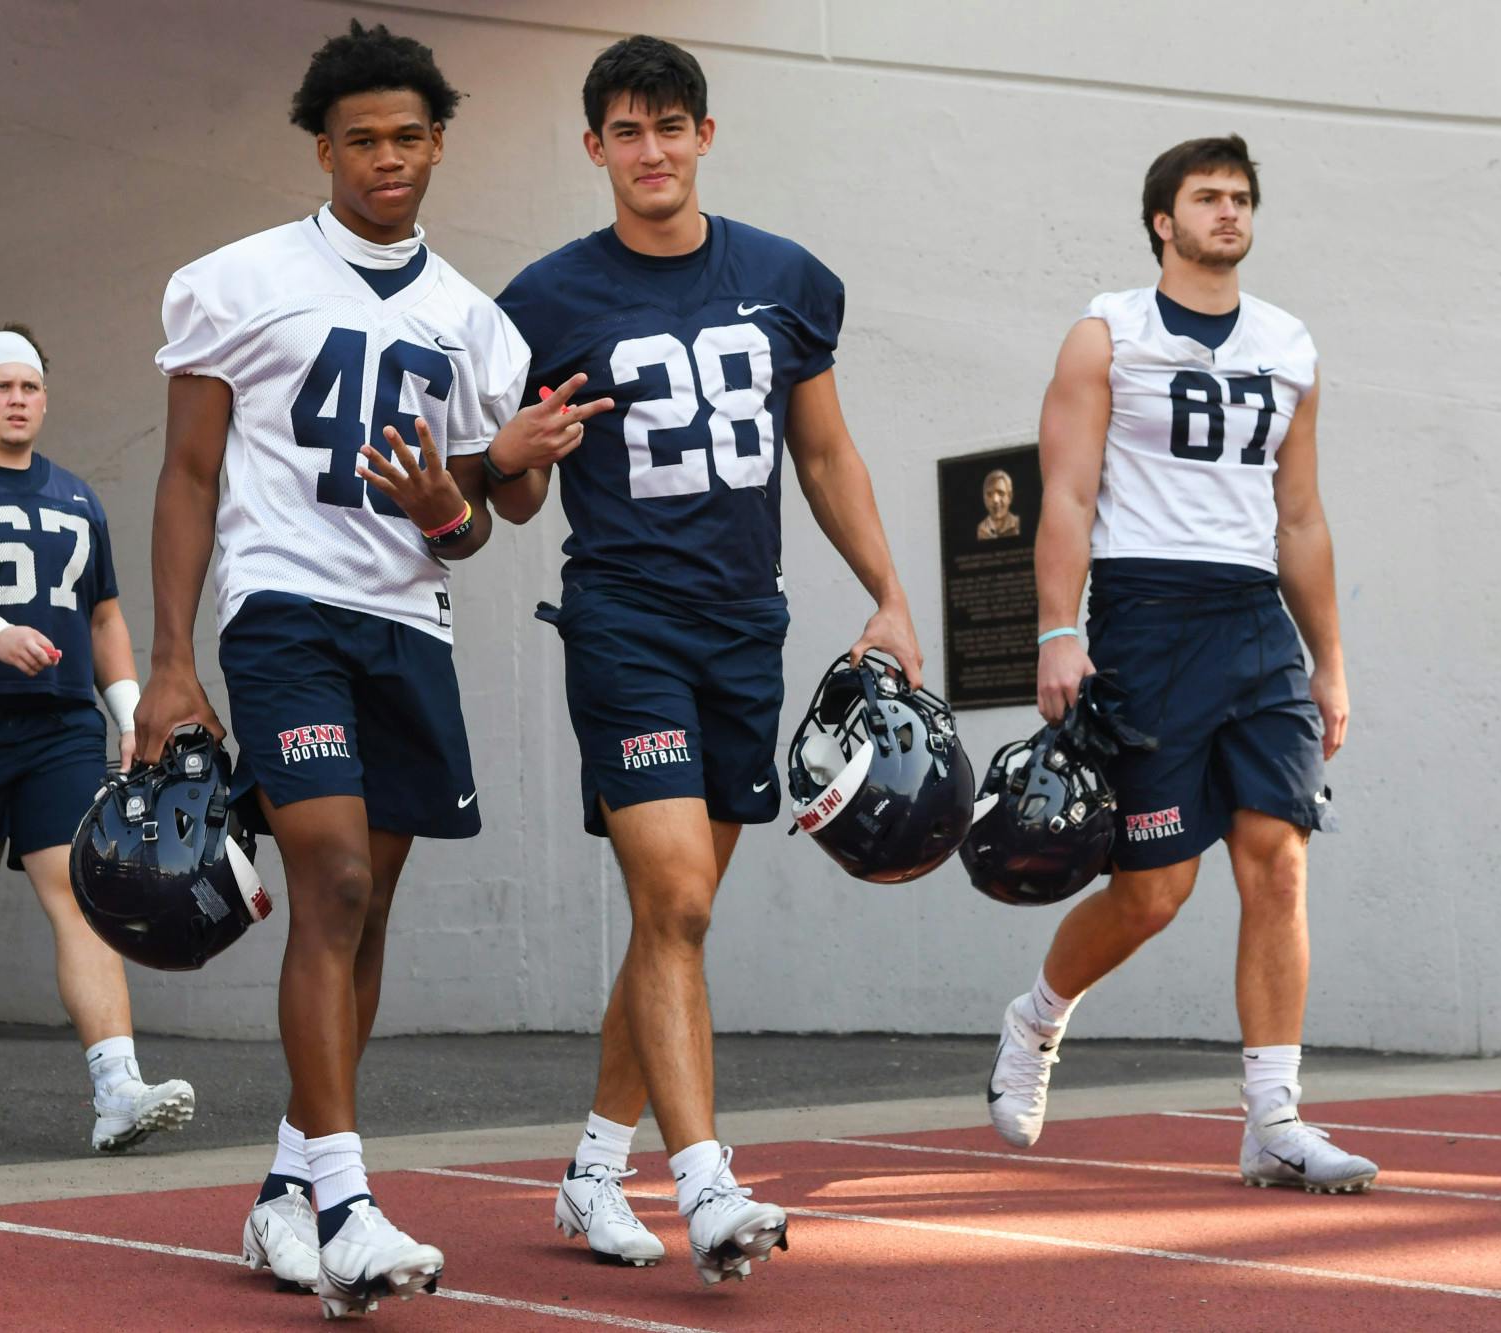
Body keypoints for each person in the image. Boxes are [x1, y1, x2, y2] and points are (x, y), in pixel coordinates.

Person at [135, 21, 599, 1318]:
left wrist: (497, 461)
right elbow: (186, 476)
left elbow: (480, 528)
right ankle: (347, 1201)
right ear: (322, 148)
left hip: (409, 627)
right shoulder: (233, 281)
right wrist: (172, 658)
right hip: (284, 611)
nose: (386, 159)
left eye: (408, 137)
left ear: (439, 142)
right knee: (329, 872)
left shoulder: (474, 323)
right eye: (362, 140)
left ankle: (286, 1187)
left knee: (366, 912)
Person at [490, 35, 923, 1284]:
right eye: (626, 132)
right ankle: (706, 1182)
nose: (651, 151)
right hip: (623, 618)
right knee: (676, 897)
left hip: (745, 627)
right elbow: (512, 500)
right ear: (594, 150)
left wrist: (888, 593)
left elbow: (824, 455)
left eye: (669, 126)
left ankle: (589, 1165)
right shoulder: (545, 299)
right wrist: (517, 452)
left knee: (670, 916)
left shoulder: (784, 278)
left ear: (704, 135)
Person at [988, 134, 1374, 1194]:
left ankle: (1273, 1118)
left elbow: (1298, 516)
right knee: (1154, 889)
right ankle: (1037, 1017)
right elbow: (1062, 495)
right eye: (1206, 197)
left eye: (1240, 198)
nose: (1227, 213)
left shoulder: (1288, 343)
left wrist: (1328, 660)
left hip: (1252, 619)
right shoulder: (1104, 332)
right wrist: (1055, 630)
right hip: (1145, 617)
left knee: (1277, 858)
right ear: (1162, 219)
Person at [0, 322, 192, 1153]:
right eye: (3, 385)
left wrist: (129, 712)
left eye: (31, 386)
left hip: (57, 728)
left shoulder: (77, 496)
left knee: (83, 897)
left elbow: (103, 615)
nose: (18, 399)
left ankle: (118, 1085)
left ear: (44, 399)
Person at [977, 468, 1021, 540]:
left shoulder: (1018, 525)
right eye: (989, 494)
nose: (995, 500)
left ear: (1010, 497)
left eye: (1001, 493)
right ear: (984, 499)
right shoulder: (981, 530)